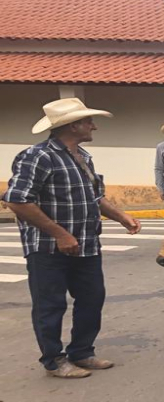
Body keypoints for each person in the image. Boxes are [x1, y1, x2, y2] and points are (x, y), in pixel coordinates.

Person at [2, 98, 141, 378]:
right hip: (48, 248)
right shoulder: (37, 156)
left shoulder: (83, 156)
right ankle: (54, 359)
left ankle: (82, 352)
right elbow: (18, 201)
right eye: (88, 121)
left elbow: (95, 196)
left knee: (92, 298)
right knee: (50, 304)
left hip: (87, 244)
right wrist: (60, 234)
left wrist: (121, 216)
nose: (94, 126)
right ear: (73, 125)